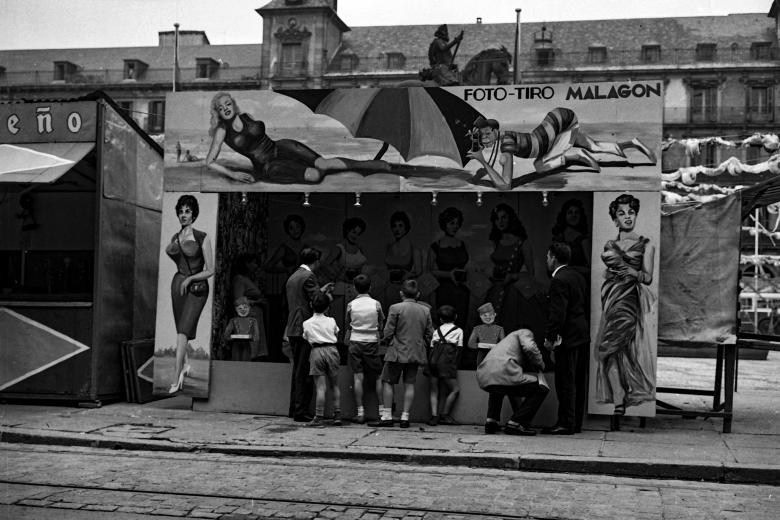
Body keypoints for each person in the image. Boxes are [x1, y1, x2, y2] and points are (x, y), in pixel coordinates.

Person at [205, 92, 391, 184]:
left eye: (228, 104)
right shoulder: (222, 131)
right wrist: (233, 174)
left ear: (233, 104)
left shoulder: (246, 116)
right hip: (268, 166)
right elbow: (209, 162)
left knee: (324, 164)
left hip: (282, 146)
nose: (226, 109)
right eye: (221, 108)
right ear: (218, 112)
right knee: (315, 175)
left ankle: (370, 165)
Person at [467, 110, 657, 190]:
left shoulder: (506, 143)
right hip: (561, 120)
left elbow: (505, 185)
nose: (484, 140)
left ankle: (575, 154)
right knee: (595, 146)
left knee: (540, 165)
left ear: (494, 131)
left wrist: (481, 161)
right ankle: (632, 143)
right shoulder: (505, 137)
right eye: (481, 137)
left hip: (559, 124)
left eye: (485, 135)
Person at [594, 194, 656, 416]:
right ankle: (620, 399)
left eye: (631, 212)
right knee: (615, 352)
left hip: (629, 302)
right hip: (610, 299)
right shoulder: (610, 244)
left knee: (607, 349)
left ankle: (621, 399)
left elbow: (648, 278)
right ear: (615, 219)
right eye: (622, 213)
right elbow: (606, 273)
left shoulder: (646, 244)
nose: (628, 217)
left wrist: (633, 272)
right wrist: (612, 272)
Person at [164, 194, 214, 394]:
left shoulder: (202, 237)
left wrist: (191, 278)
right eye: (181, 212)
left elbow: (211, 269)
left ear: (194, 214)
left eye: (187, 211)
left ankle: (176, 377)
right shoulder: (175, 237)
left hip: (196, 288)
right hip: (178, 285)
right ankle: (185, 364)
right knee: (180, 330)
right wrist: (183, 279)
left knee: (183, 331)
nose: (184, 215)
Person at [371, 279, 434, 429]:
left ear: (401, 294)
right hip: (416, 352)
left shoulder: (395, 308)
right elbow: (429, 333)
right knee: (409, 383)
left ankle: (386, 416)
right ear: (418, 294)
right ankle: (405, 417)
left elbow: (388, 332)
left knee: (387, 381)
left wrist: (384, 341)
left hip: (397, 352)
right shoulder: (425, 310)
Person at [543, 242, 590, 435]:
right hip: (581, 334)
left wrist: (550, 338)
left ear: (553, 258)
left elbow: (558, 313)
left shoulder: (558, 280)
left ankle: (565, 423)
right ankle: (575, 422)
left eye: (547, 257)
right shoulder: (578, 276)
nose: (547, 260)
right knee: (578, 380)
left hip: (567, 337)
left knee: (565, 381)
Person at [284, 247, 335, 422]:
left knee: (298, 370)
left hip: (293, 327)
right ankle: (301, 411)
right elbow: (316, 300)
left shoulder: (294, 276)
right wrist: (326, 294)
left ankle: (295, 408)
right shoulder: (309, 277)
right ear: (316, 261)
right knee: (304, 371)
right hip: (303, 328)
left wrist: (321, 289)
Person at [476, 329, 549, 436]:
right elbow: (529, 347)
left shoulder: (506, 342)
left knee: (499, 386)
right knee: (541, 389)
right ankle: (516, 423)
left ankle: (491, 422)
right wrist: (541, 365)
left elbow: (512, 390)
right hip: (504, 370)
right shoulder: (525, 332)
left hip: (484, 373)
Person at [483, 203, 535, 334]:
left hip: (513, 292)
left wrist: (512, 276)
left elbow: (531, 272)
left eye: (504, 217)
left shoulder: (522, 242)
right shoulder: (496, 241)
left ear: (510, 218)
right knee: (491, 329)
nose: (500, 221)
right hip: (496, 288)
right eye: (497, 218)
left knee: (509, 324)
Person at [345, 274, 385, 424]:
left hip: (355, 342)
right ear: (370, 287)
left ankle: (360, 412)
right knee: (378, 376)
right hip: (372, 342)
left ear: (354, 288)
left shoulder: (351, 305)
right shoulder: (376, 304)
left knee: (358, 377)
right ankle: (382, 411)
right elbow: (381, 323)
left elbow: (348, 323)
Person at [322, 217, 368, 339]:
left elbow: (360, 270)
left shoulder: (359, 249)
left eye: (358, 233)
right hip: (341, 288)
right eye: (353, 232)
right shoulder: (339, 248)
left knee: (353, 321)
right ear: (347, 231)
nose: (355, 235)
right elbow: (325, 264)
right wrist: (338, 275)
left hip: (354, 289)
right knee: (339, 319)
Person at [302, 292, 342, 427]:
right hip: (332, 350)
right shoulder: (331, 321)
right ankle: (337, 414)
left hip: (316, 351)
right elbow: (336, 332)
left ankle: (319, 416)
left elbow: (306, 337)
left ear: (311, 305)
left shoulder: (307, 323)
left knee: (320, 387)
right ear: (327, 307)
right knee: (334, 385)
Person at [427, 207, 470, 331]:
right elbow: (430, 271)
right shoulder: (436, 246)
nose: (455, 226)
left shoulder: (462, 244)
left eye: (457, 223)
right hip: (444, 291)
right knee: (445, 325)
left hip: (462, 291)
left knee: (460, 323)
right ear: (444, 224)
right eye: (452, 223)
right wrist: (449, 274)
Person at [425, 305, 463, 426]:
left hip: (433, 361)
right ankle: (445, 415)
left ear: (440, 319)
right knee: (455, 389)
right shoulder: (458, 330)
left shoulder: (436, 331)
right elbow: (459, 349)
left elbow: (431, 347)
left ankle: (434, 416)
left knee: (434, 390)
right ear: (456, 317)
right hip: (446, 362)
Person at [230, 253, 268, 360]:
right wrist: (256, 302)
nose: (256, 266)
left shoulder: (247, 279)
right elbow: (238, 300)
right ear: (247, 264)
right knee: (249, 350)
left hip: (254, 317)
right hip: (247, 320)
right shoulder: (239, 279)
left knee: (254, 350)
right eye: (254, 263)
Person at [384, 211, 423, 309]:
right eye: (394, 226)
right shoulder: (389, 248)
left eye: (400, 226)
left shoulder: (414, 249)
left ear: (406, 228)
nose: (397, 229)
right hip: (390, 288)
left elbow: (419, 271)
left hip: (406, 290)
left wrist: (408, 274)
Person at [552, 199, 591, 270]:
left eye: (577, 213)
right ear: (564, 215)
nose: (574, 215)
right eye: (570, 212)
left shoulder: (583, 240)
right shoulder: (558, 238)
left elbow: (590, 269)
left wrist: (571, 269)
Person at [222, 296, 260, 362]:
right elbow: (226, 335)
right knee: (236, 360)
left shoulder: (253, 321)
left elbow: (256, 335)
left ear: (249, 308)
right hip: (236, 344)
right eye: (240, 308)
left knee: (245, 360)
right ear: (236, 309)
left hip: (247, 344)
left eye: (245, 307)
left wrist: (252, 337)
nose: (243, 310)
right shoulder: (233, 320)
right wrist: (232, 337)